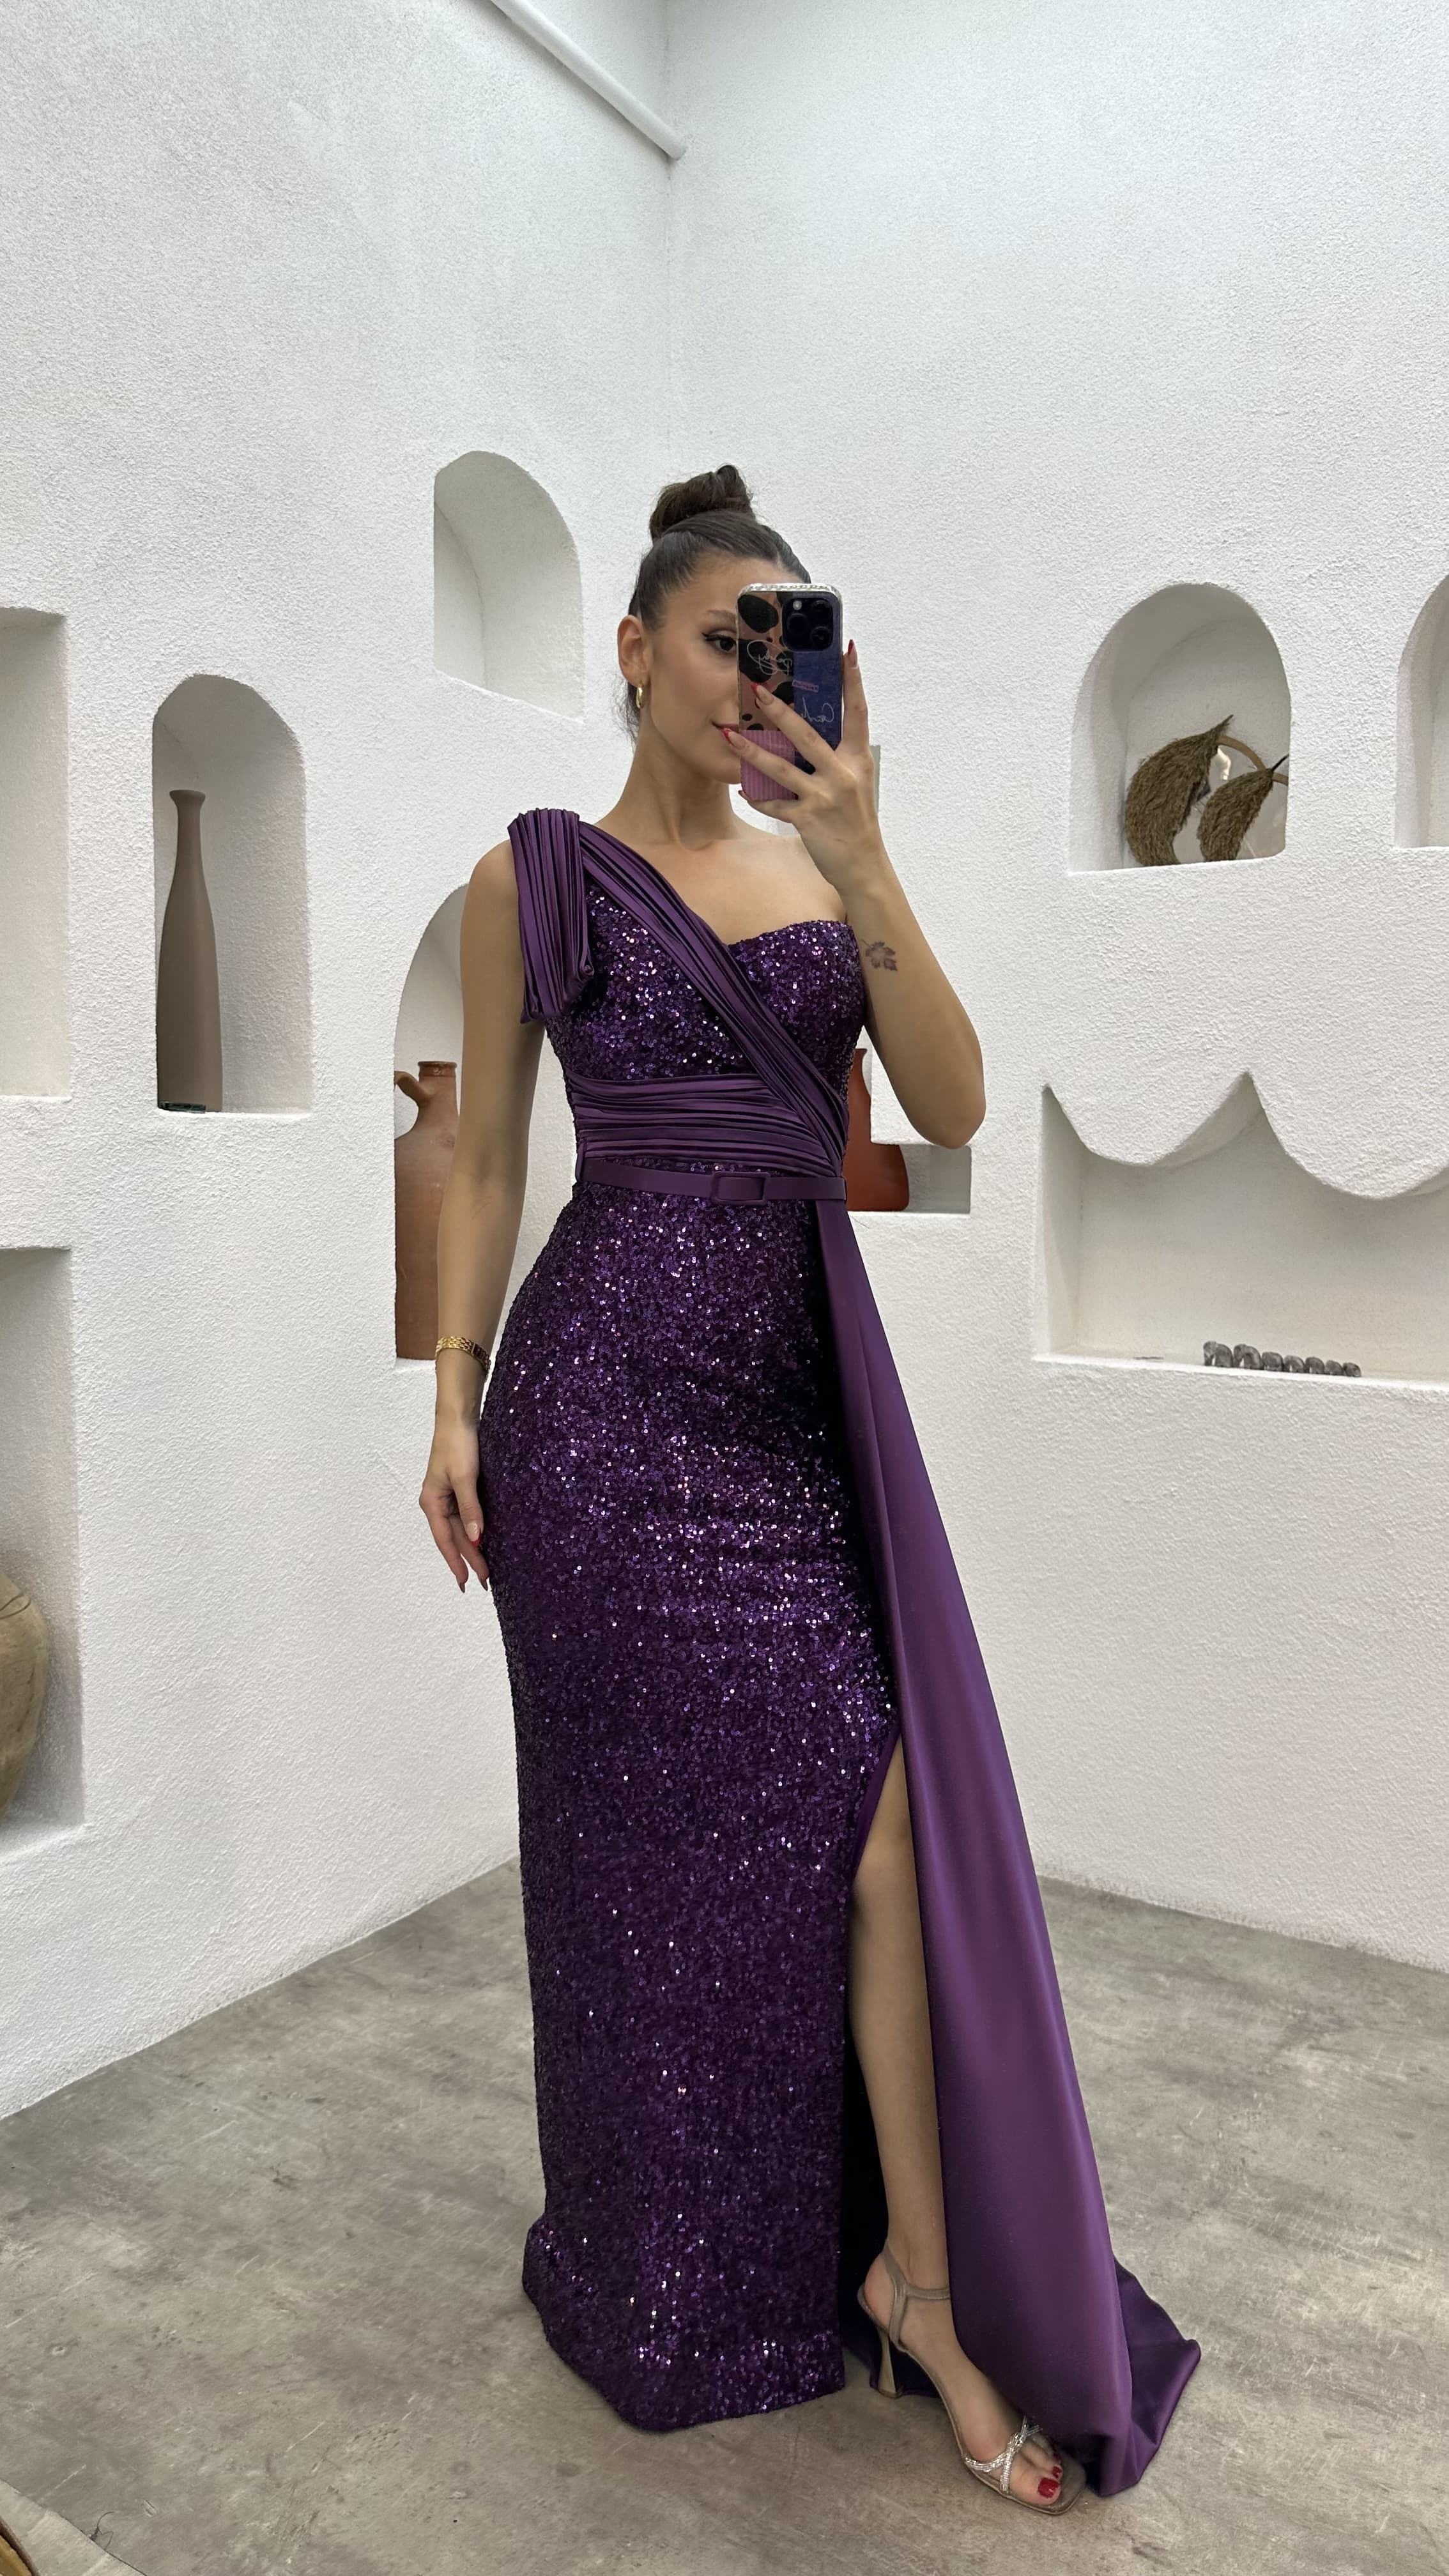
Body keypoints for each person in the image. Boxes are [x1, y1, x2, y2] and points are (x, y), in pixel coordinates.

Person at [418, 464, 1199, 2513]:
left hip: (777, 1430)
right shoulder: (530, 882)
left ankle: (913, 2280)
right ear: (634, 649)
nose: (744, 680)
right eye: (715, 641)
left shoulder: (819, 865)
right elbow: (485, 1159)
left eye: (779, 647)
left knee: (880, 1834)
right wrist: (452, 1404)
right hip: (592, 1424)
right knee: (632, 1872)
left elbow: (946, 1105)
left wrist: (861, 849)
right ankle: (667, 2267)